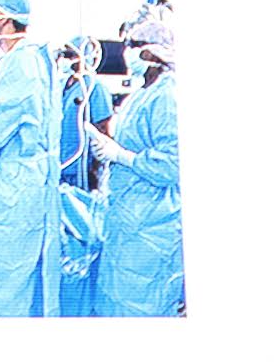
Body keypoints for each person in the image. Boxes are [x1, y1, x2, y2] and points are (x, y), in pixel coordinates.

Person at [0, 0, 62, 317]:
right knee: (11, 282)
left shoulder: (20, 64)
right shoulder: (26, 60)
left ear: (6, 16)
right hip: (20, 184)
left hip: (11, 192)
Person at [90, 20, 183, 316]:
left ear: (152, 53)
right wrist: (108, 147)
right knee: (118, 299)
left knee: (143, 306)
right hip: (129, 216)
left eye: (133, 46)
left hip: (153, 223)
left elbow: (173, 164)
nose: (126, 53)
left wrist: (121, 156)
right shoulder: (142, 92)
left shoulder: (168, 95)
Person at [57, 36, 113, 191]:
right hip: (58, 165)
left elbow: (102, 131)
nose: (65, 59)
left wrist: (97, 168)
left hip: (81, 168)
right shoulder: (61, 85)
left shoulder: (94, 87)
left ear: (84, 56)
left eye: (70, 55)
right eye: (64, 54)